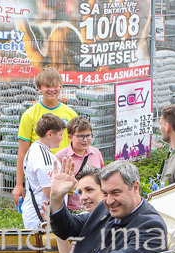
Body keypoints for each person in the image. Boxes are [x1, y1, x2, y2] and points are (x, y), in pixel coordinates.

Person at [20, 159, 167, 253]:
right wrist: (56, 198)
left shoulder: (151, 226)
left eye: (115, 193)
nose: (109, 201)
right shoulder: (104, 209)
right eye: (105, 193)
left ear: (135, 187)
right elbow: (67, 229)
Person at [12, 67, 77, 209]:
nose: (52, 89)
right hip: (40, 178)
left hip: (63, 173)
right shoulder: (29, 115)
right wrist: (18, 184)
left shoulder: (70, 114)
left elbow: (76, 147)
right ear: (39, 88)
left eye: (55, 85)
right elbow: (22, 152)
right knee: (41, 216)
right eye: (47, 86)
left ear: (61, 86)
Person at [22, 113, 67, 233]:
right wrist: (70, 186)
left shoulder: (36, 149)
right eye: (60, 134)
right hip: (41, 217)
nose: (62, 138)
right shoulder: (43, 156)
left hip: (39, 214)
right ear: (50, 133)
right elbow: (49, 191)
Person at [54, 116, 105, 212]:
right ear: (70, 137)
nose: (85, 140)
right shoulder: (61, 157)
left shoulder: (96, 153)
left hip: (96, 208)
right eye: (80, 136)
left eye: (88, 136)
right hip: (72, 209)